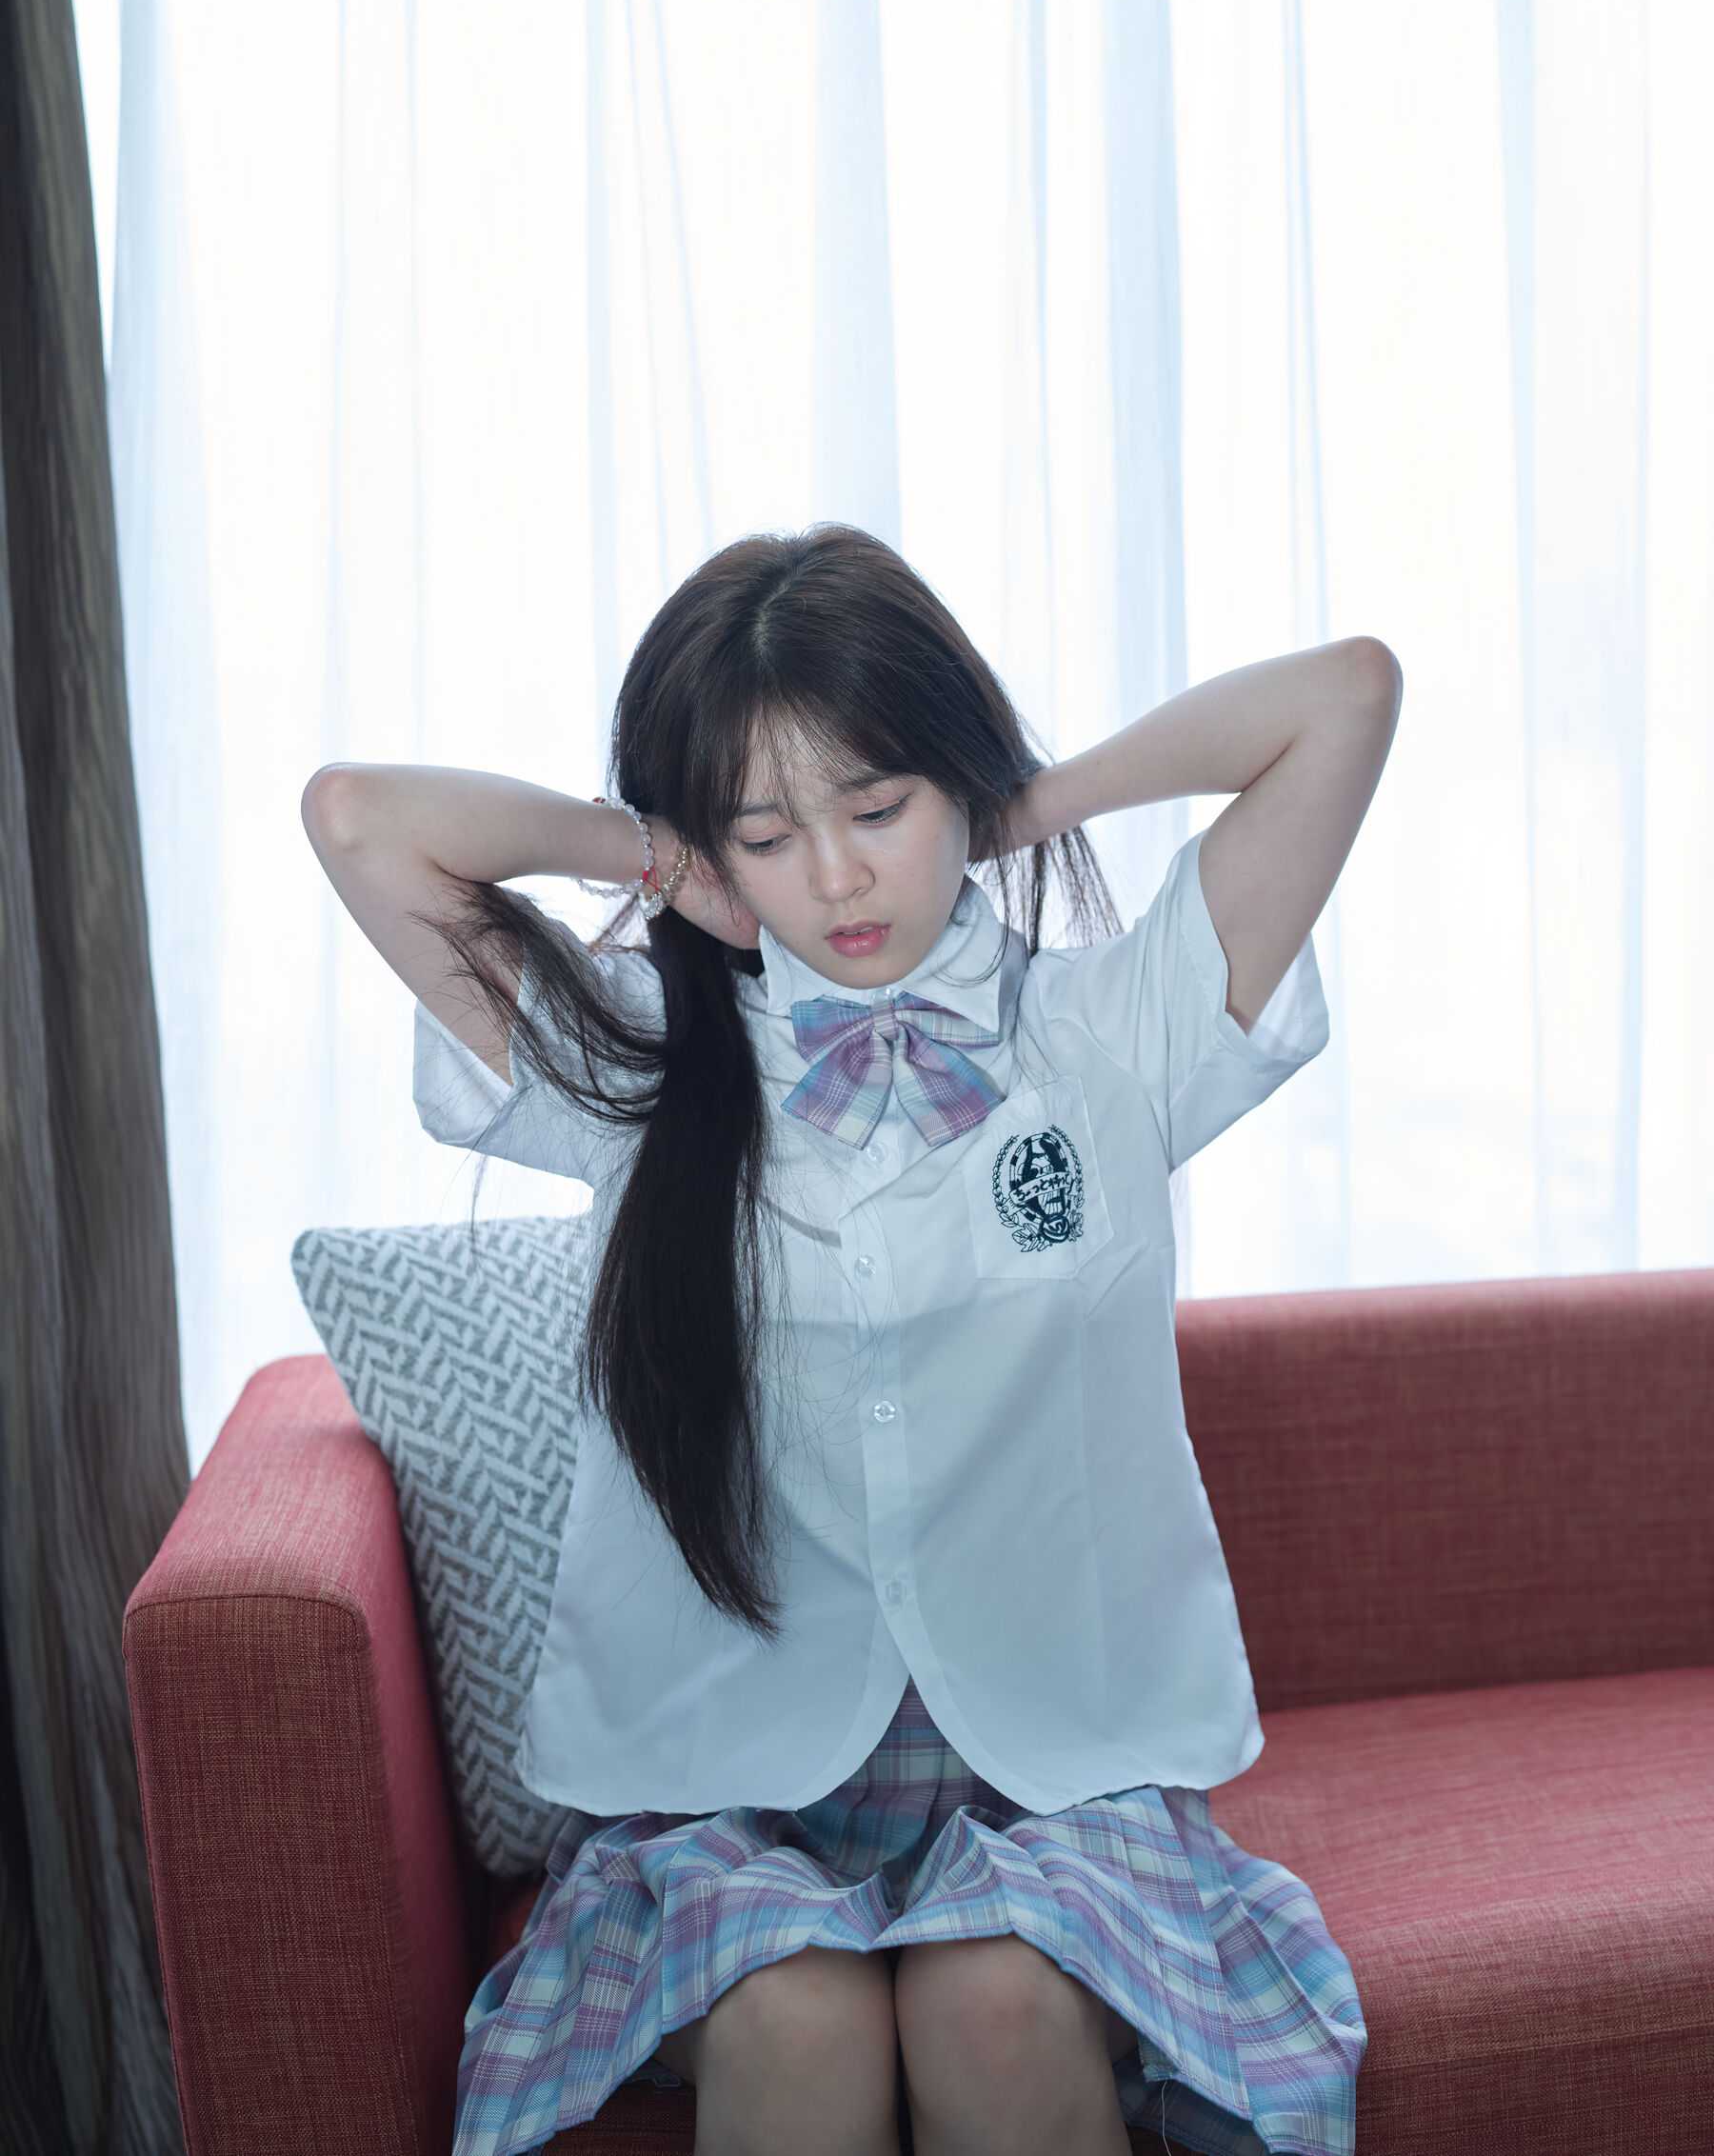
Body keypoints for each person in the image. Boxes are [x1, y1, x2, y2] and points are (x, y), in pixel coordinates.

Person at [303, 523, 1387, 2156]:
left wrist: (1027, 800)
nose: (835, 878)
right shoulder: (641, 1059)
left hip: (1051, 1781)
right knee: (797, 2021)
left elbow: (1346, 699)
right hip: (730, 1790)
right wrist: (652, 852)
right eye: (769, 832)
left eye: (879, 808)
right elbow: (357, 820)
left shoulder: (1115, 1028)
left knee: (995, 2006)